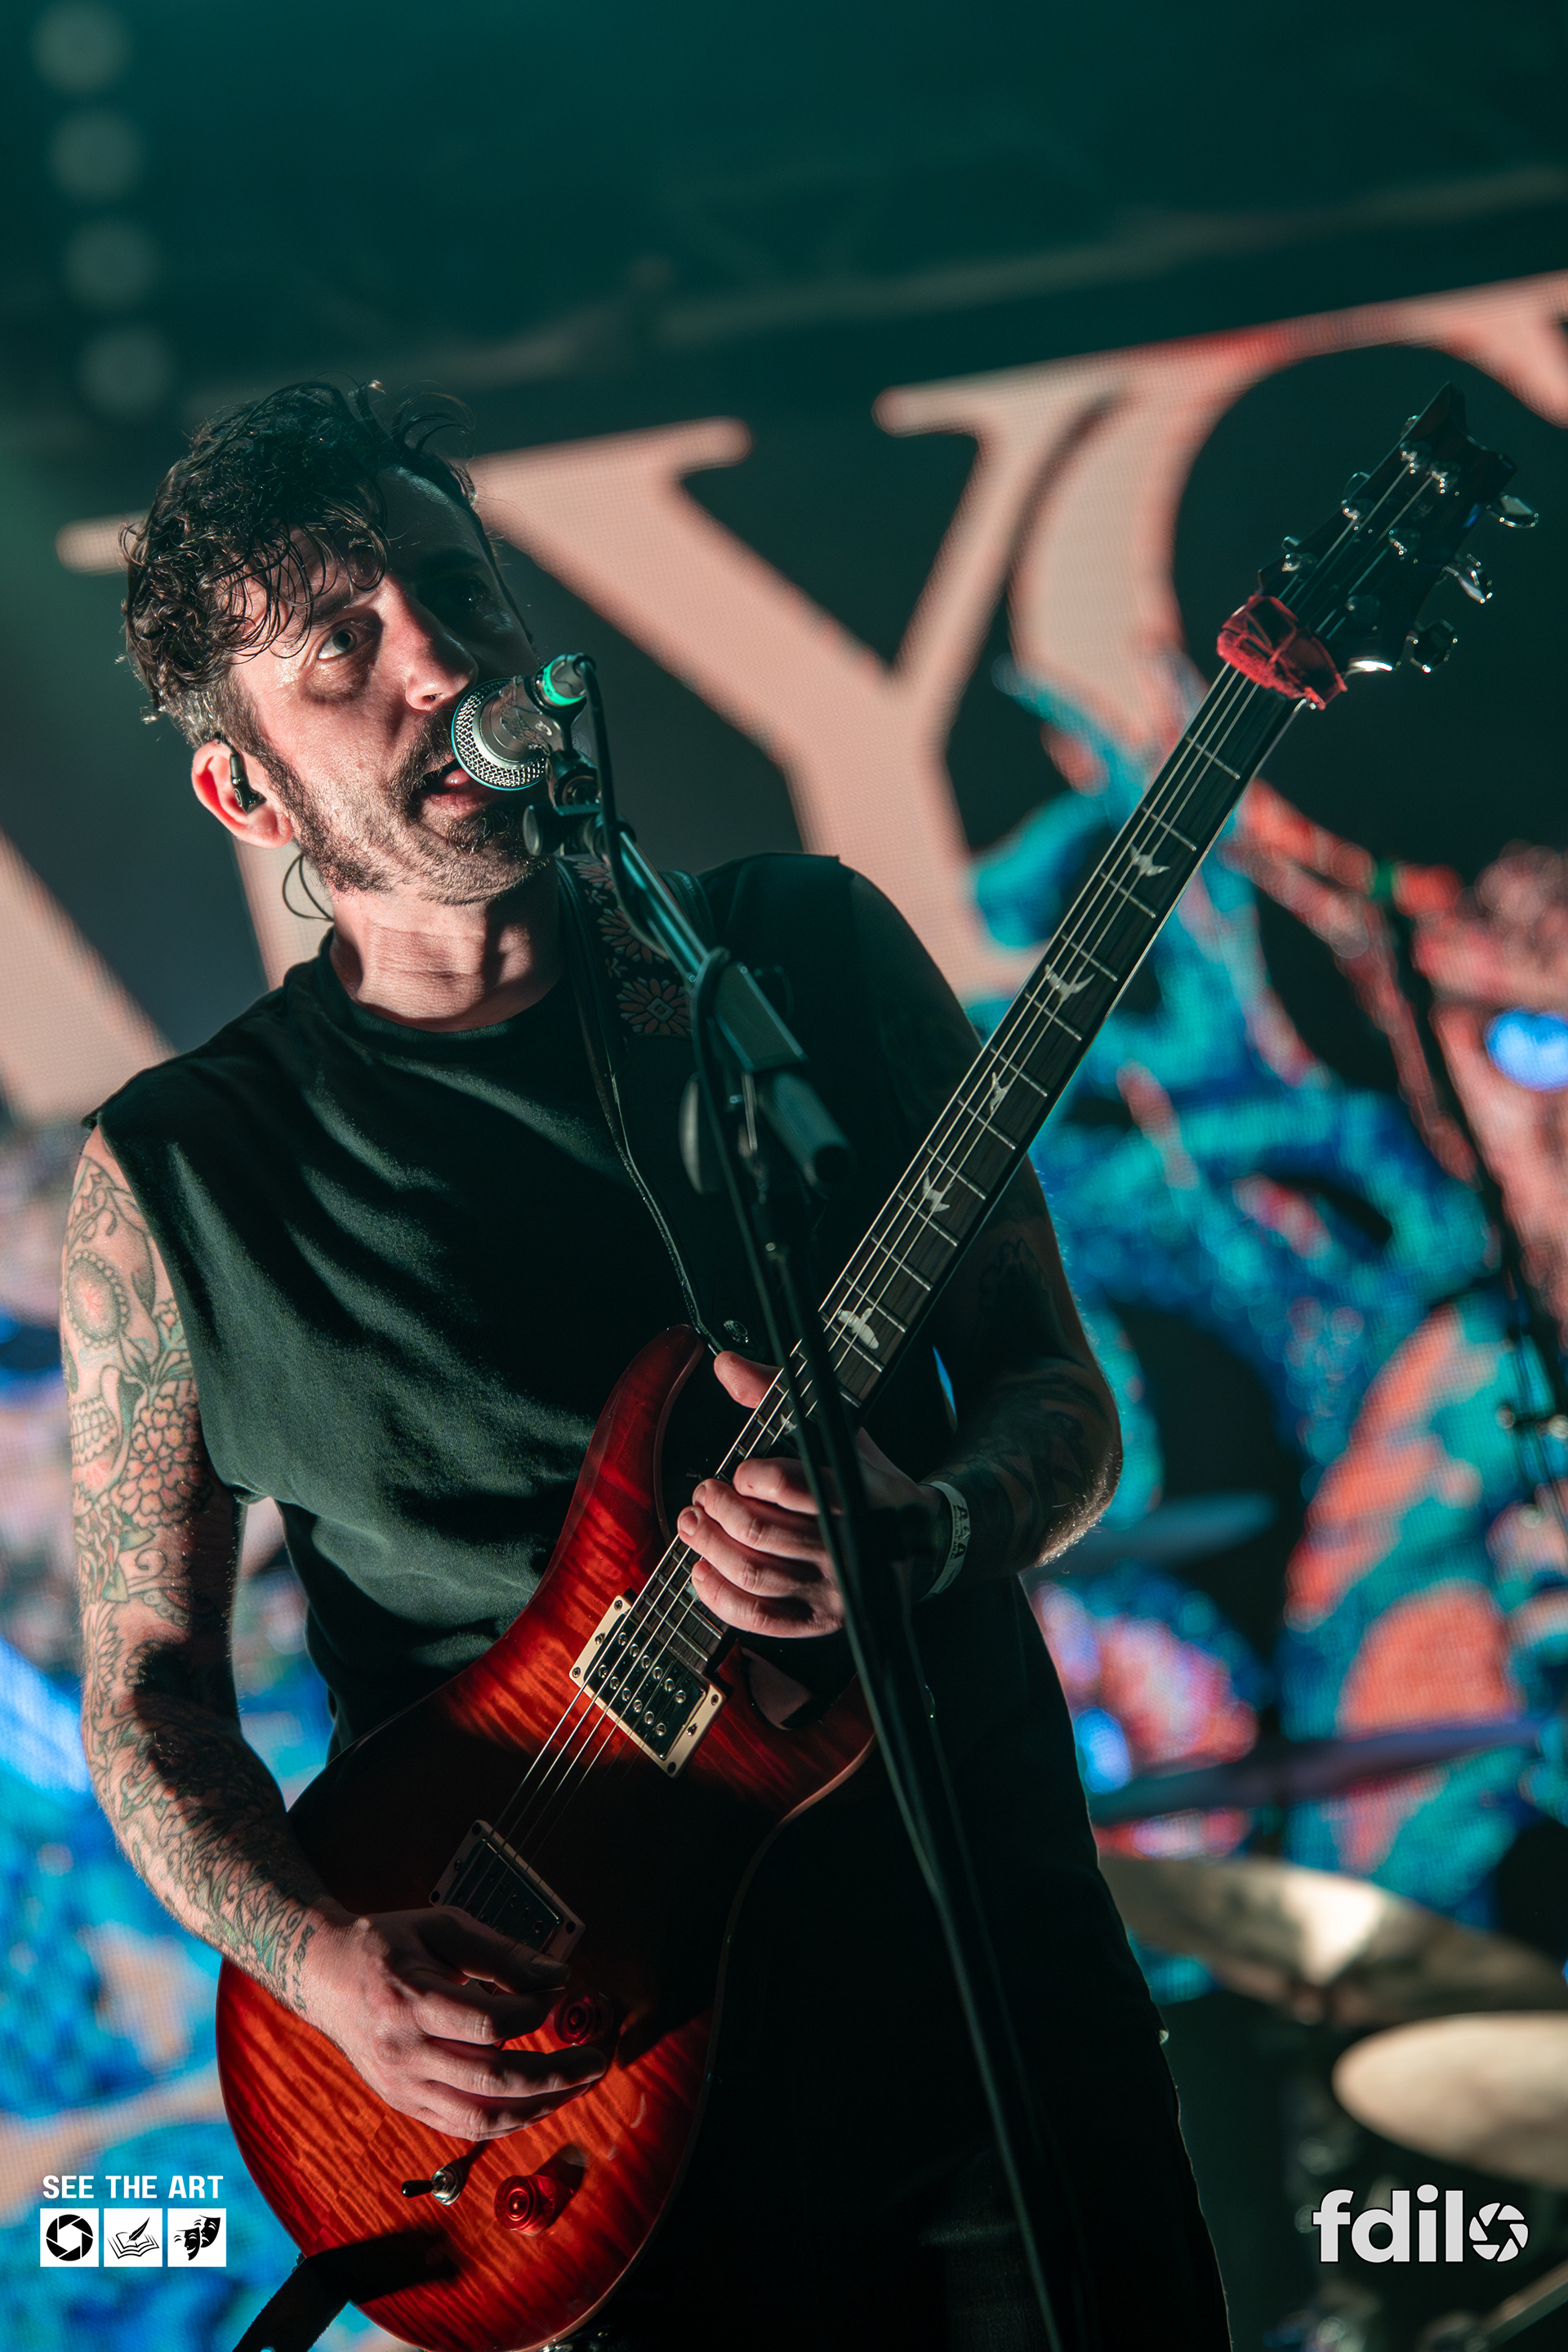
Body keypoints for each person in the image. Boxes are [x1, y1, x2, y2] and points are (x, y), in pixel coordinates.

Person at [65, 383, 1228, 2350]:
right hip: (586, 2091)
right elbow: (147, 1694)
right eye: (344, 646)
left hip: (988, 1992)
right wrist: (327, 1965)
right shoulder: (185, 1181)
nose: (439, 663)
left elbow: (1060, 1402)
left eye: (457, 595)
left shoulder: (800, 962)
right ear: (247, 797)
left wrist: (934, 1526)